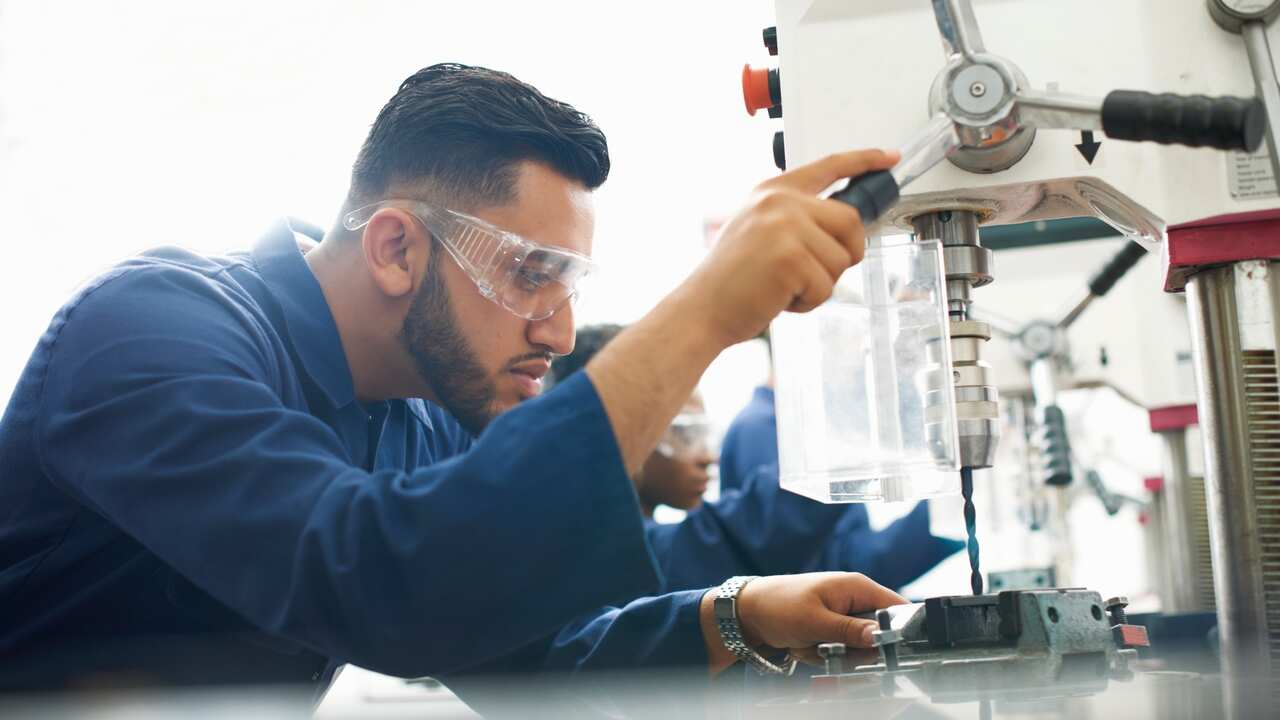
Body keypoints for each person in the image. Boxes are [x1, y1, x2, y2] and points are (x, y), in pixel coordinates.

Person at [0, 62, 905, 695]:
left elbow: (528, 657)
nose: (557, 329)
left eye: (570, 285)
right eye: (530, 273)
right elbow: (382, 585)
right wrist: (708, 312)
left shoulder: (417, 419)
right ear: (395, 246)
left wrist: (739, 614)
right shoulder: (152, 333)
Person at [550, 325, 962, 593]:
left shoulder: (640, 540)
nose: (708, 457)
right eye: (683, 430)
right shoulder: (606, 555)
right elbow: (753, 534)